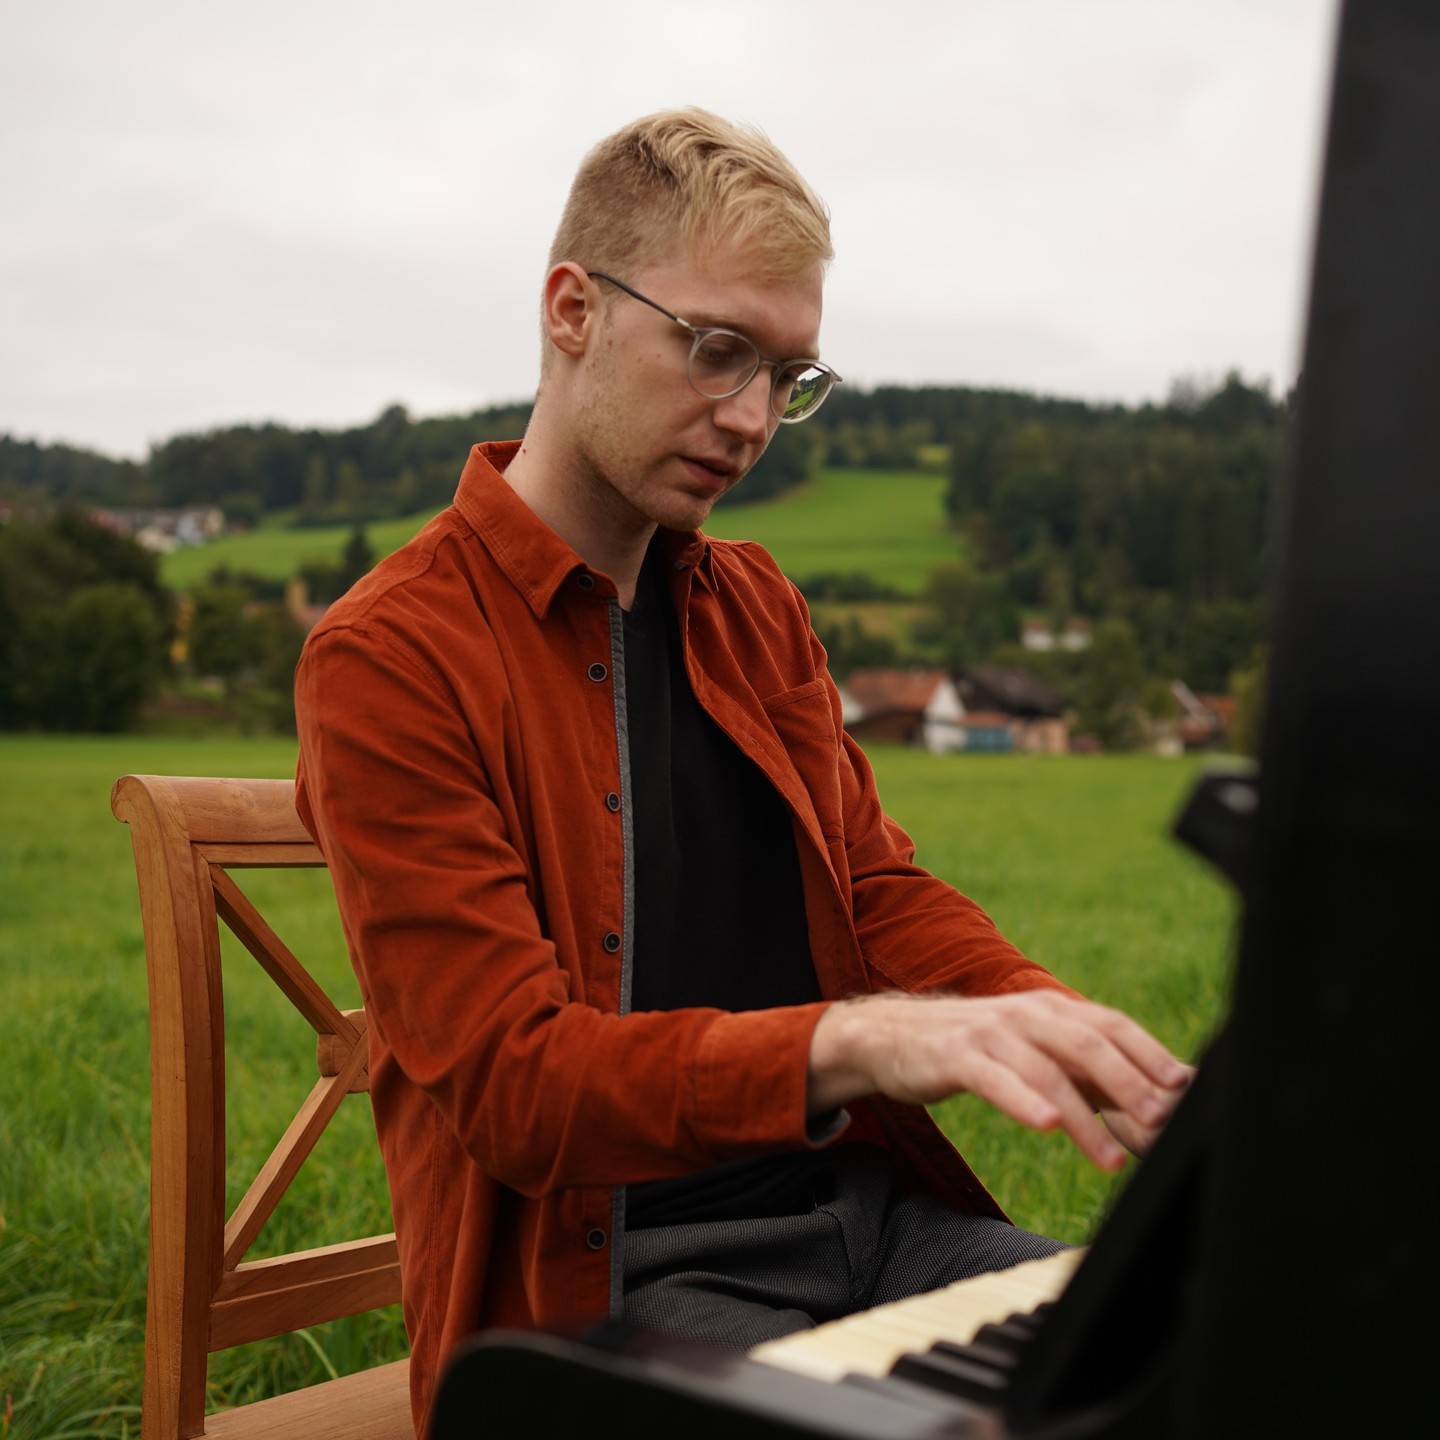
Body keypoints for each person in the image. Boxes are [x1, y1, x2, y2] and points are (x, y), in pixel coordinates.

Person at [293, 107, 1190, 1436]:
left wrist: (1059, 1027)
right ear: (572, 309)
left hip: (872, 1228)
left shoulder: (753, 604)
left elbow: (875, 890)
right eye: (717, 352)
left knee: (1205, 1359)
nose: (753, 417)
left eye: (790, 376)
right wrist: (862, 1041)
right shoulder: (391, 655)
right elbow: (516, 1086)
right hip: (612, 1291)